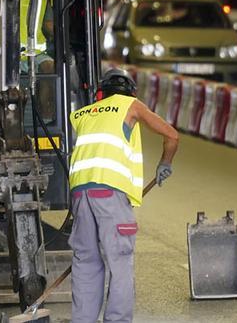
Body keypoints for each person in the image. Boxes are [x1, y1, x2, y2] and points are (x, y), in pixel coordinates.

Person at [67, 68, 179, 323]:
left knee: (86, 262)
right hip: (109, 194)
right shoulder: (131, 105)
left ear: (100, 94)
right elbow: (171, 135)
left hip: (80, 194)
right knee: (119, 262)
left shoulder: (82, 114)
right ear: (131, 93)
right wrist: (165, 163)